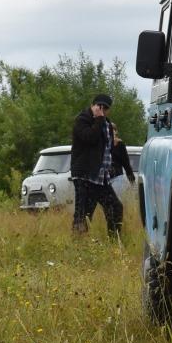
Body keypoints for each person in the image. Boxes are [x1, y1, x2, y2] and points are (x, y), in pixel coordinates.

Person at [71, 93, 123, 238]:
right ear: (92, 105)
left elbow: (108, 147)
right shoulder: (82, 120)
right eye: (98, 106)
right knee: (83, 214)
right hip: (85, 175)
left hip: (100, 177)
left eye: (105, 108)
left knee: (115, 207)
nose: (101, 110)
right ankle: (78, 247)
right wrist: (99, 119)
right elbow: (90, 138)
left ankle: (114, 242)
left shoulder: (106, 124)